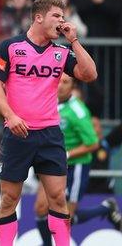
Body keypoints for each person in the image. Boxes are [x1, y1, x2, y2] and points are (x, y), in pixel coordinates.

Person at [0, 0, 98, 246]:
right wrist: (10, 115)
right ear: (39, 17)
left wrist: (74, 40)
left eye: (63, 17)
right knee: (9, 198)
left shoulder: (61, 52)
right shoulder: (10, 46)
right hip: (18, 134)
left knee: (58, 198)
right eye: (57, 16)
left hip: (50, 134)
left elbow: (89, 74)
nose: (62, 22)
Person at [34, 74, 122, 246]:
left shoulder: (78, 111)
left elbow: (93, 143)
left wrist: (67, 154)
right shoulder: (46, 101)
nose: (59, 85)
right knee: (40, 208)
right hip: (53, 165)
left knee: (66, 218)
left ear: (73, 87)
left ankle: (105, 208)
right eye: (57, 80)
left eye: (65, 82)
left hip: (76, 167)